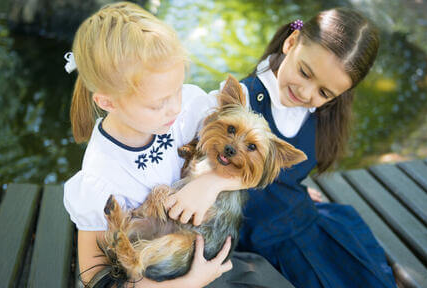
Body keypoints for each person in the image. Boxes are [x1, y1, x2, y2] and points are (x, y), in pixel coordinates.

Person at [63, 2, 294, 288]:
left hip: (204, 253)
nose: (174, 108)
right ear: (108, 102)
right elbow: (96, 279)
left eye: (177, 91)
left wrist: (211, 185)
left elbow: (254, 161)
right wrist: (188, 283)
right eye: (159, 103)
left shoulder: (188, 107)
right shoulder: (101, 174)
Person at [167, 7, 397, 288]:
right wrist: (211, 182)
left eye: (324, 92)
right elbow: (199, 153)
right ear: (291, 42)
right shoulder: (240, 102)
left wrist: (289, 185)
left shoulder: (318, 111)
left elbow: (286, 163)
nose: (305, 92)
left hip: (304, 220)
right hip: (258, 240)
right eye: (304, 72)